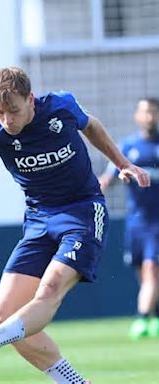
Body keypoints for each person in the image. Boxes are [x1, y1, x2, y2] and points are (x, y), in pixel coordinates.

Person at [0, 66, 150, 383]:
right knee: (1, 316)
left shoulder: (60, 106)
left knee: (50, 290)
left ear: (31, 99)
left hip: (82, 212)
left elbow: (91, 125)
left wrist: (123, 164)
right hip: (39, 220)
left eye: (13, 111)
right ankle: (73, 381)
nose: (6, 121)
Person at [99, 97, 159, 340]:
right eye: (145, 112)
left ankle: (142, 317)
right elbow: (109, 177)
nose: (150, 116)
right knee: (144, 274)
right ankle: (154, 316)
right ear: (137, 116)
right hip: (136, 222)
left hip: (157, 221)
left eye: (154, 112)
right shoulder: (128, 146)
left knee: (151, 269)